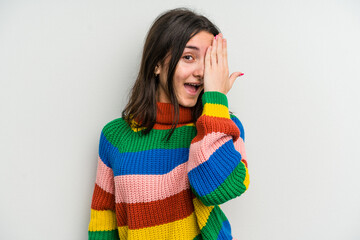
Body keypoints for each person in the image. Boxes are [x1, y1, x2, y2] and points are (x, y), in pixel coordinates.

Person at [88, 7, 249, 240]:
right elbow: (103, 217)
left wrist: (216, 100)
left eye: (209, 62)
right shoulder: (115, 137)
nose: (201, 72)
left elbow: (218, 189)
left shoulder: (225, 126)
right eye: (188, 57)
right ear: (157, 64)